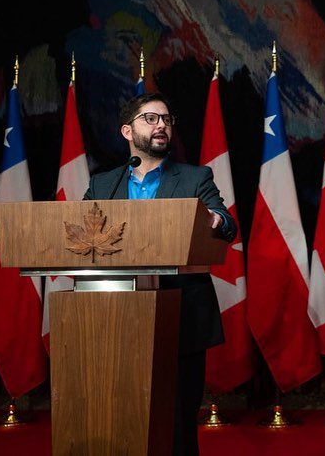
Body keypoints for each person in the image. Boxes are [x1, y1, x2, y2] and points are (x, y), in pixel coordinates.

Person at [84, 92, 236, 456]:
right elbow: (85, 238)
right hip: (116, 318)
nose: (161, 126)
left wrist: (214, 219)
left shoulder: (196, 176)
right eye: (150, 119)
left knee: (178, 426)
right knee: (120, 419)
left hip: (181, 316)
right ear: (127, 130)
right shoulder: (105, 185)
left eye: (166, 120)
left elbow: (225, 221)